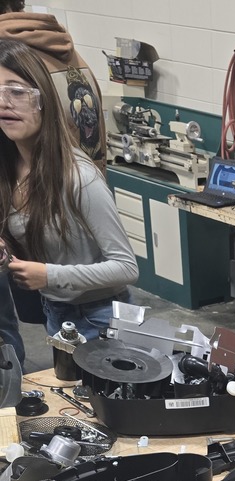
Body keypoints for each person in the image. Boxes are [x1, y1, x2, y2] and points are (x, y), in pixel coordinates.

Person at [0, 40, 137, 352]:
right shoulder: (10, 168)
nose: (5, 103)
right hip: (58, 313)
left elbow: (127, 267)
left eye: (17, 92)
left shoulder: (79, 178)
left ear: (43, 99)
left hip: (103, 317)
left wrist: (49, 275)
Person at [0, 1, 108, 367]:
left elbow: (123, 267)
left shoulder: (14, 60)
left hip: (60, 212)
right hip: (52, 231)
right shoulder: (70, 54)